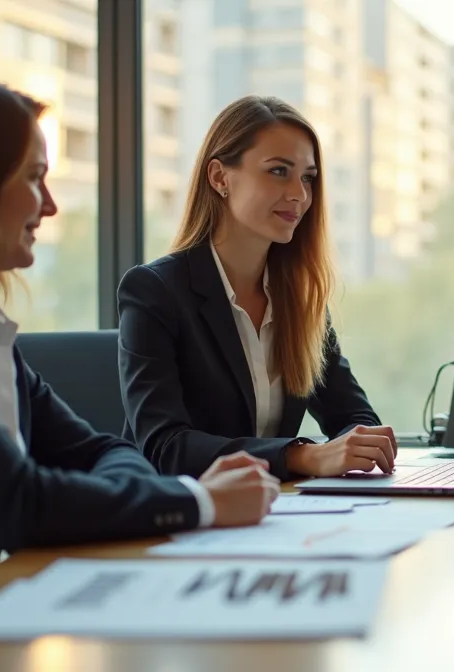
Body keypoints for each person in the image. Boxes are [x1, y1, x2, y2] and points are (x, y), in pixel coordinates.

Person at [0, 73, 279, 618]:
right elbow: (18, 504)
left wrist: (132, 495)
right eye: (34, 178)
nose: (49, 206)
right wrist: (199, 500)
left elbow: (105, 451)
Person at [118, 96, 396, 482]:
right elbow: (166, 447)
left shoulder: (299, 299)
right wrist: (303, 456)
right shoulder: (155, 291)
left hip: (273, 517)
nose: (299, 194)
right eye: (279, 171)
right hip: (177, 520)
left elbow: (352, 415)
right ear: (220, 178)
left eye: (308, 177)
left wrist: (358, 444)